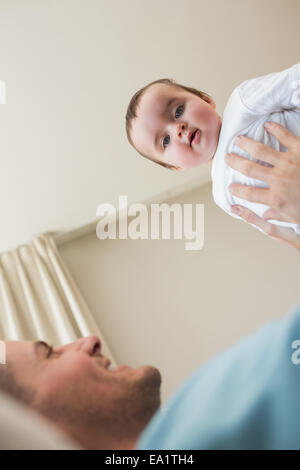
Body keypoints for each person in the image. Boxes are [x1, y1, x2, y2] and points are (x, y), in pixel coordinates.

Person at [125, 62, 300, 236]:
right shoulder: (222, 196)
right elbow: (277, 228)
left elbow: (295, 81)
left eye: (178, 111)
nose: (178, 129)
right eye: (165, 141)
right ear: (175, 166)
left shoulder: (241, 104)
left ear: (205, 99)